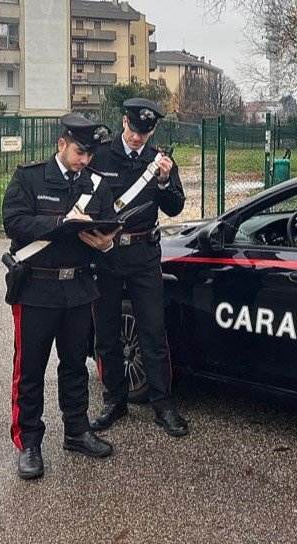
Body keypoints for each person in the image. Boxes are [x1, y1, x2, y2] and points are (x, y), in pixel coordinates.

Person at [2, 114, 119, 479]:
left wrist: (106, 243)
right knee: (30, 369)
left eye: (90, 154)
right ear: (62, 144)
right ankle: (29, 442)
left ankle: (76, 430)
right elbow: (14, 221)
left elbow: (108, 225)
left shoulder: (96, 185)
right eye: (80, 152)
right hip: (36, 287)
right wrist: (59, 224)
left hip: (78, 287)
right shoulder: (30, 178)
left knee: (75, 366)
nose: (85, 160)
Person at [89, 97, 188, 437]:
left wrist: (163, 181)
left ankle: (162, 404)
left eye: (143, 133)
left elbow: (175, 207)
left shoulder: (159, 161)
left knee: (153, 330)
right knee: (106, 332)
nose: (136, 138)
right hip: (107, 254)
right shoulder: (101, 155)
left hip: (144, 254)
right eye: (133, 130)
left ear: (152, 131)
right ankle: (114, 400)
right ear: (124, 122)